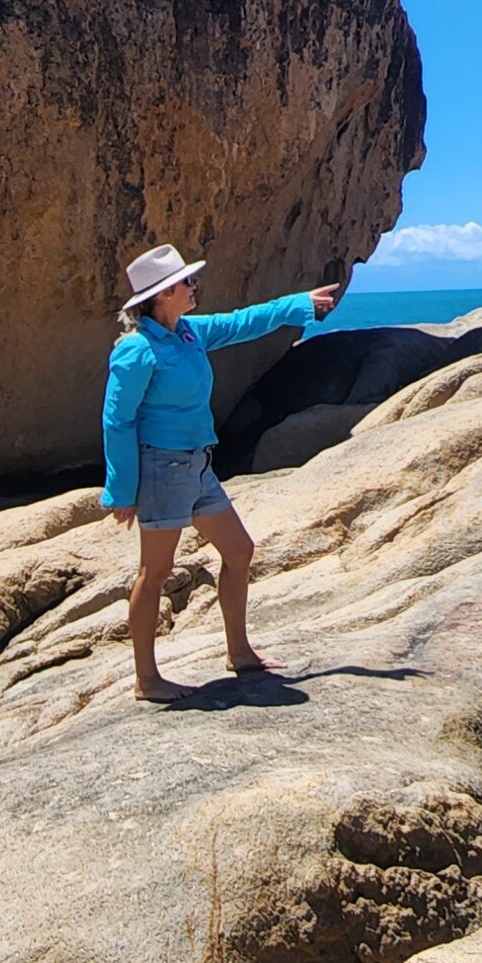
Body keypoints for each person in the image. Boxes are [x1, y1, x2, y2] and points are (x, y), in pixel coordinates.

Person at [102, 242, 338, 700]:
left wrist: (298, 304)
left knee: (240, 551)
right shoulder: (138, 351)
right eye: (186, 282)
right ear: (164, 293)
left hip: (198, 465)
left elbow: (242, 322)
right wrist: (122, 490)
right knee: (155, 573)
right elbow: (116, 420)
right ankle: (146, 680)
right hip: (162, 470)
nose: (194, 286)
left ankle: (239, 653)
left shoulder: (189, 334)